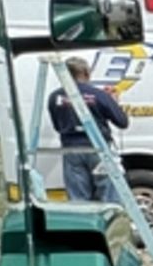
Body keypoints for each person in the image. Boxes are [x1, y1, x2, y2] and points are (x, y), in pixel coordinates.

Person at [47, 56, 130, 204]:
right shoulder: (99, 95)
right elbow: (122, 122)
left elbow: (57, 126)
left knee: (78, 199)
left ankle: (82, 225)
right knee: (109, 196)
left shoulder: (54, 97)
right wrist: (114, 102)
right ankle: (108, 224)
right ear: (86, 73)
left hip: (71, 150)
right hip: (98, 149)